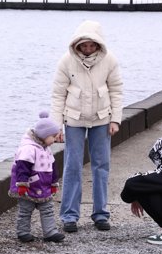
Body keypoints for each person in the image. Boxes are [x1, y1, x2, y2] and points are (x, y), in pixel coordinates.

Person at [50, 20, 123, 233]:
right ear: (77, 44)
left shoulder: (110, 60)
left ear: (99, 44)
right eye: (84, 45)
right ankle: (69, 216)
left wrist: (115, 120)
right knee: (72, 166)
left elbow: (116, 90)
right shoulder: (66, 61)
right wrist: (56, 127)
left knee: (101, 166)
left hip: (102, 118)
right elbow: (58, 95)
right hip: (74, 119)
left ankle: (101, 214)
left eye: (92, 45)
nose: (88, 49)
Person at [9, 111, 65, 243]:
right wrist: (22, 184)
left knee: (47, 209)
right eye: (53, 136)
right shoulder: (28, 149)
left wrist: (53, 183)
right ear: (44, 135)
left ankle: (50, 232)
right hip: (28, 187)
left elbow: (52, 167)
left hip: (43, 186)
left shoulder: (46, 148)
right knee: (25, 210)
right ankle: (23, 232)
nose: (55, 139)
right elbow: (22, 168)